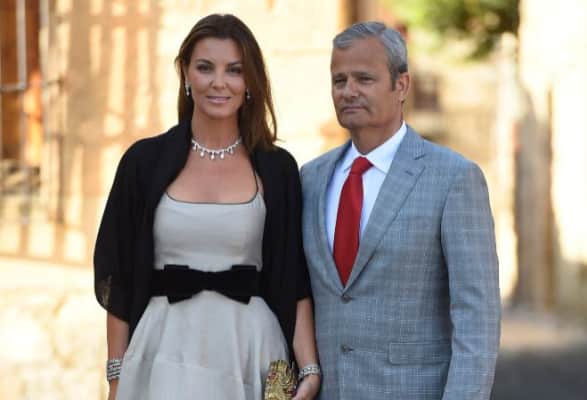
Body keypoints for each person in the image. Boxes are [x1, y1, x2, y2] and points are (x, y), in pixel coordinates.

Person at [94, 14, 320, 400]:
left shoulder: (277, 168)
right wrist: (116, 376)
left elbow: (293, 276)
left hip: (250, 350)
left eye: (234, 70)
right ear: (185, 72)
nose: (219, 82)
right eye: (205, 67)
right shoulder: (143, 162)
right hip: (162, 351)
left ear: (250, 81)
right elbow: (119, 274)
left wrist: (309, 369)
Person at [300, 21, 500, 399]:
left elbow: (477, 318)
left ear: (402, 85)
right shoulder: (310, 179)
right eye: (339, 80)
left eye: (364, 78)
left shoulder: (453, 178)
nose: (348, 91)